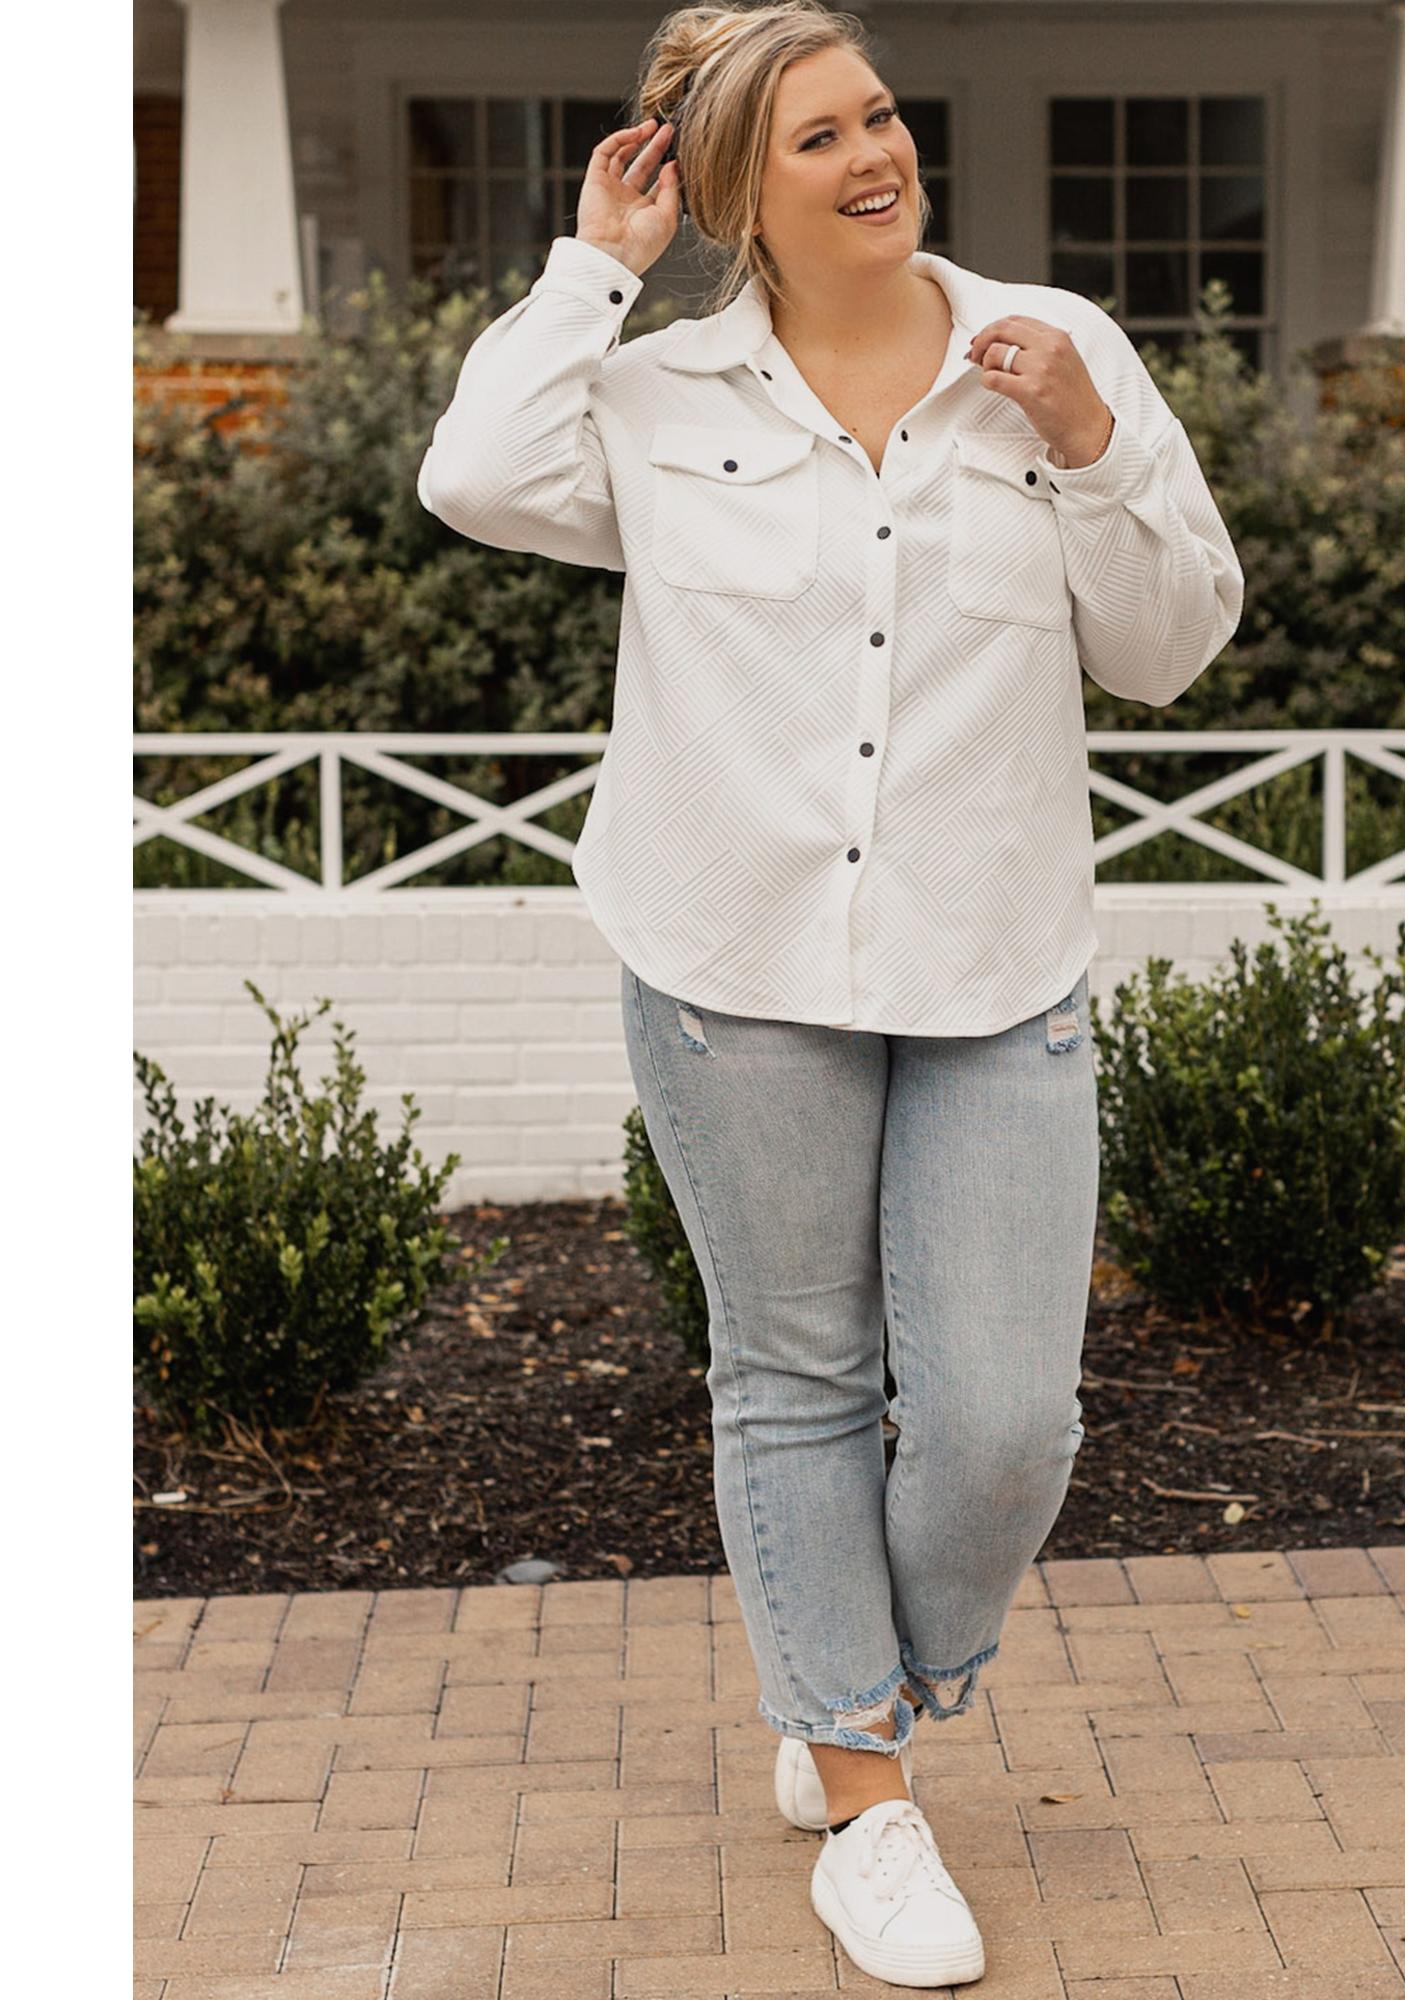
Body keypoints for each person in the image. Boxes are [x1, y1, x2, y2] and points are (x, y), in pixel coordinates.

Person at [417, 3, 1244, 1984]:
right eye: (817, 137)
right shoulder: (654, 393)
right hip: (734, 960)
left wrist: (1089, 446)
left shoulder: (1052, 349)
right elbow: (472, 473)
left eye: (878, 113)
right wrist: (593, 270)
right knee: (791, 1375)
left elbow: (1167, 646)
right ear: (732, 191)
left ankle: (851, 1677)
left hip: (995, 961)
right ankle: (865, 1794)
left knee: (1005, 1424)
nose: (876, 153)